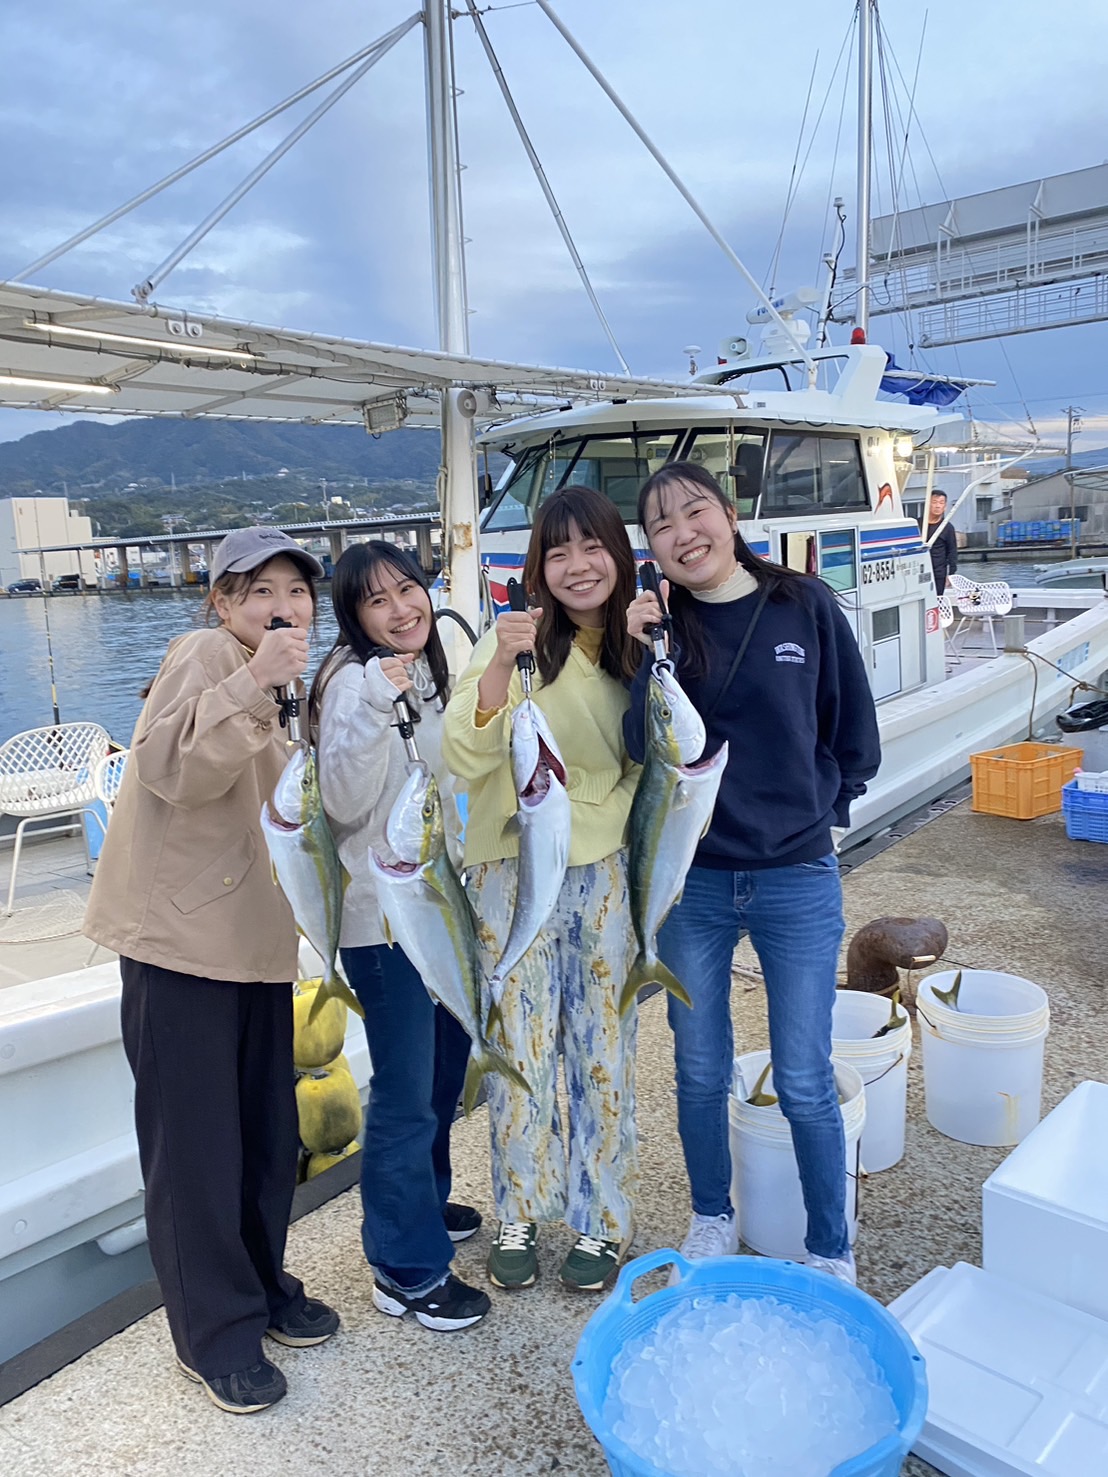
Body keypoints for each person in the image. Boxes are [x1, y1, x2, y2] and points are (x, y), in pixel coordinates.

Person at [84, 527, 340, 1415]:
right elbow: (170, 768)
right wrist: (255, 678)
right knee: (196, 1152)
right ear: (221, 602)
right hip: (179, 947)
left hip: (255, 950)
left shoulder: (284, 682)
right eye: (259, 589)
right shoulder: (204, 654)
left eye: (297, 590)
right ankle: (214, 1335)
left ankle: (263, 1287)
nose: (284, 604)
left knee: (266, 1140)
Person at [625, 463, 881, 1284]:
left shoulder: (803, 603)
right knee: (699, 1067)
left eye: (694, 511)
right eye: (661, 525)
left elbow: (852, 726)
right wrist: (638, 651)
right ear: (652, 547)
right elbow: (639, 748)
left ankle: (830, 1246)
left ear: (730, 516)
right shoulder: (662, 627)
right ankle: (711, 1214)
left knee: (803, 1074)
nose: (683, 533)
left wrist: (820, 812)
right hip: (693, 882)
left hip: (796, 876)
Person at [442, 486, 641, 1294]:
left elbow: (652, 768)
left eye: (592, 546)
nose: (577, 565)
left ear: (618, 555)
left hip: (602, 871)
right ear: (536, 568)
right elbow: (463, 753)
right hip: (508, 869)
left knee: (602, 1044)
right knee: (516, 1045)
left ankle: (602, 1216)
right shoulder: (512, 641)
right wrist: (497, 662)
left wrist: (590, 818)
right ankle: (520, 1206)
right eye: (558, 551)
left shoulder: (637, 648)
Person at [310, 541, 491, 1332]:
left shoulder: (424, 665)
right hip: (381, 926)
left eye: (407, 589)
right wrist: (377, 704)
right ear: (354, 616)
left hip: (435, 907)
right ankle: (405, 1267)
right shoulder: (354, 681)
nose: (400, 608)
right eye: (376, 600)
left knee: (443, 1075)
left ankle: (422, 1201)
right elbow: (343, 801)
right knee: (406, 1093)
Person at [923, 490, 958, 593]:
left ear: (945, 507)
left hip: (939, 573)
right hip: (921, 571)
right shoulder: (918, 524)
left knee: (938, 598)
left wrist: (951, 574)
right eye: (934, 502)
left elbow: (952, 551)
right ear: (928, 504)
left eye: (941, 503)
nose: (937, 506)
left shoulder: (947, 527)